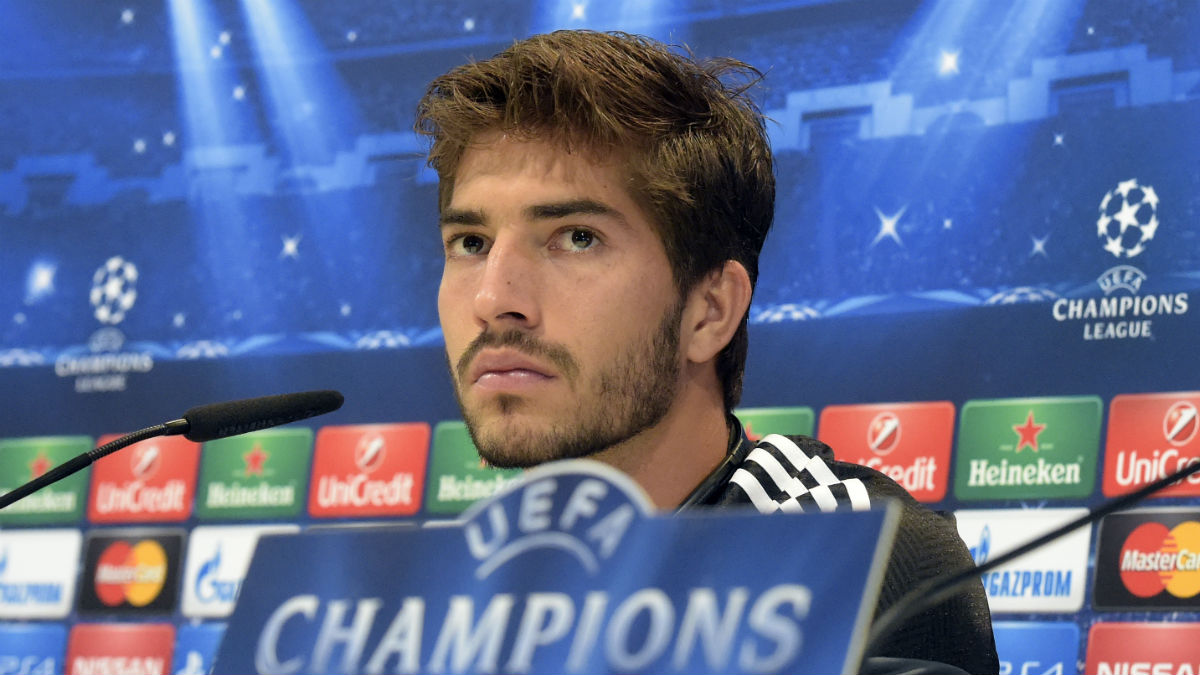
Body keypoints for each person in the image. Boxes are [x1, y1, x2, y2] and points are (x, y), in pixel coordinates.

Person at [416, 30, 998, 674]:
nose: (495, 297)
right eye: (470, 243)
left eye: (575, 237)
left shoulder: (846, 553)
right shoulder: (437, 597)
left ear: (711, 309)